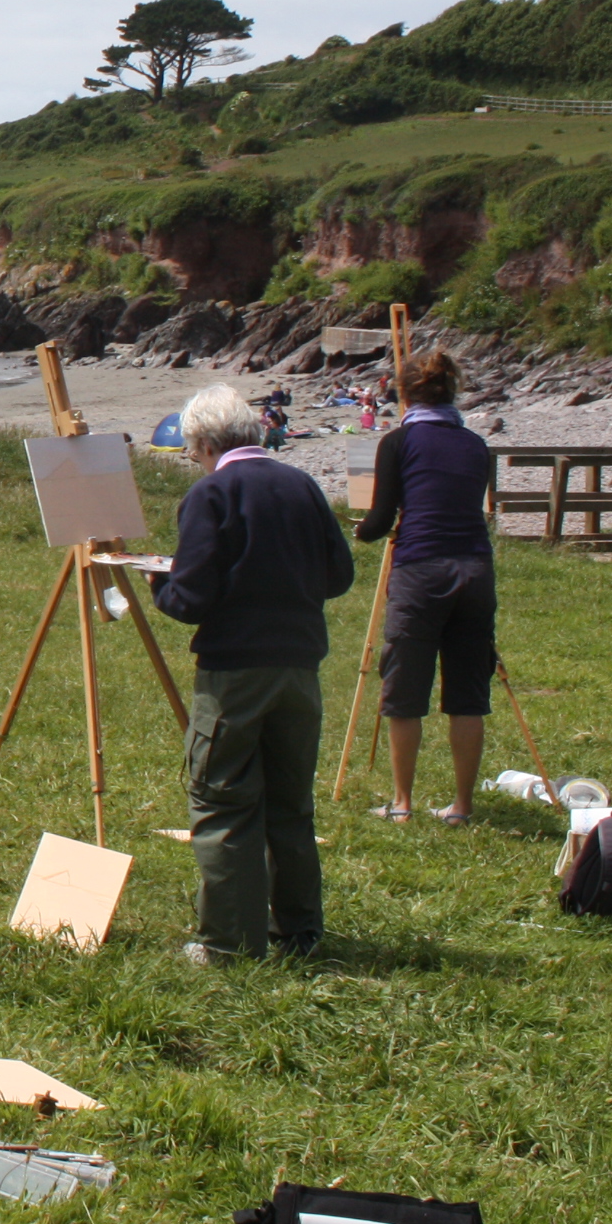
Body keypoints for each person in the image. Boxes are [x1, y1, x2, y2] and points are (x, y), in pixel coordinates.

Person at [154, 383, 356, 963]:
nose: (195, 459)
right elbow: (338, 576)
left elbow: (190, 599)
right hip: (299, 665)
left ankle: (227, 944)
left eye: (193, 450)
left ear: (207, 443)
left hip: (235, 671)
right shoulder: (302, 486)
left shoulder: (212, 494)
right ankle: (299, 930)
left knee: (222, 801)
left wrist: (158, 585)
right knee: (290, 803)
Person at [356, 349, 498, 825]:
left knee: (405, 690)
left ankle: (401, 803)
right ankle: (462, 805)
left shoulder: (398, 442)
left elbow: (379, 521)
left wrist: (358, 529)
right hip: (475, 569)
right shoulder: (476, 444)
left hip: (421, 569)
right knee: (468, 693)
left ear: (405, 394)